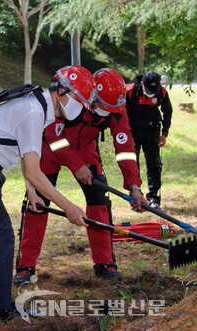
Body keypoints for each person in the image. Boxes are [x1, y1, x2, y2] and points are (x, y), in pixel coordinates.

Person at [0, 65, 95, 321]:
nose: (81, 108)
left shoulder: (38, 106)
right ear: (62, 91)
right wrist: (68, 207)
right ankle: (5, 309)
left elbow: (27, 157)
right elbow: (34, 172)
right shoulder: (33, 110)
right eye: (79, 101)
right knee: (1, 235)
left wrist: (34, 193)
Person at [14, 68, 147, 286]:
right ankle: (26, 266)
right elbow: (53, 136)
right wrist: (76, 166)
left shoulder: (116, 107)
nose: (105, 112)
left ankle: (105, 263)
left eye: (111, 109)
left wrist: (134, 185)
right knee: (38, 203)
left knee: (99, 200)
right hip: (50, 149)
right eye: (101, 106)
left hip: (86, 151)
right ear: (93, 95)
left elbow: (125, 146)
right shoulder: (74, 95)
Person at [125, 71, 173, 209]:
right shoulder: (129, 92)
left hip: (152, 131)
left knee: (154, 164)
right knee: (132, 164)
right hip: (133, 132)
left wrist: (164, 133)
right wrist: (126, 135)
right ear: (142, 84)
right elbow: (122, 115)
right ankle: (135, 196)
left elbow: (168, 112)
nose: (151, 92)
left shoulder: (161, 92)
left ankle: (153, 197)